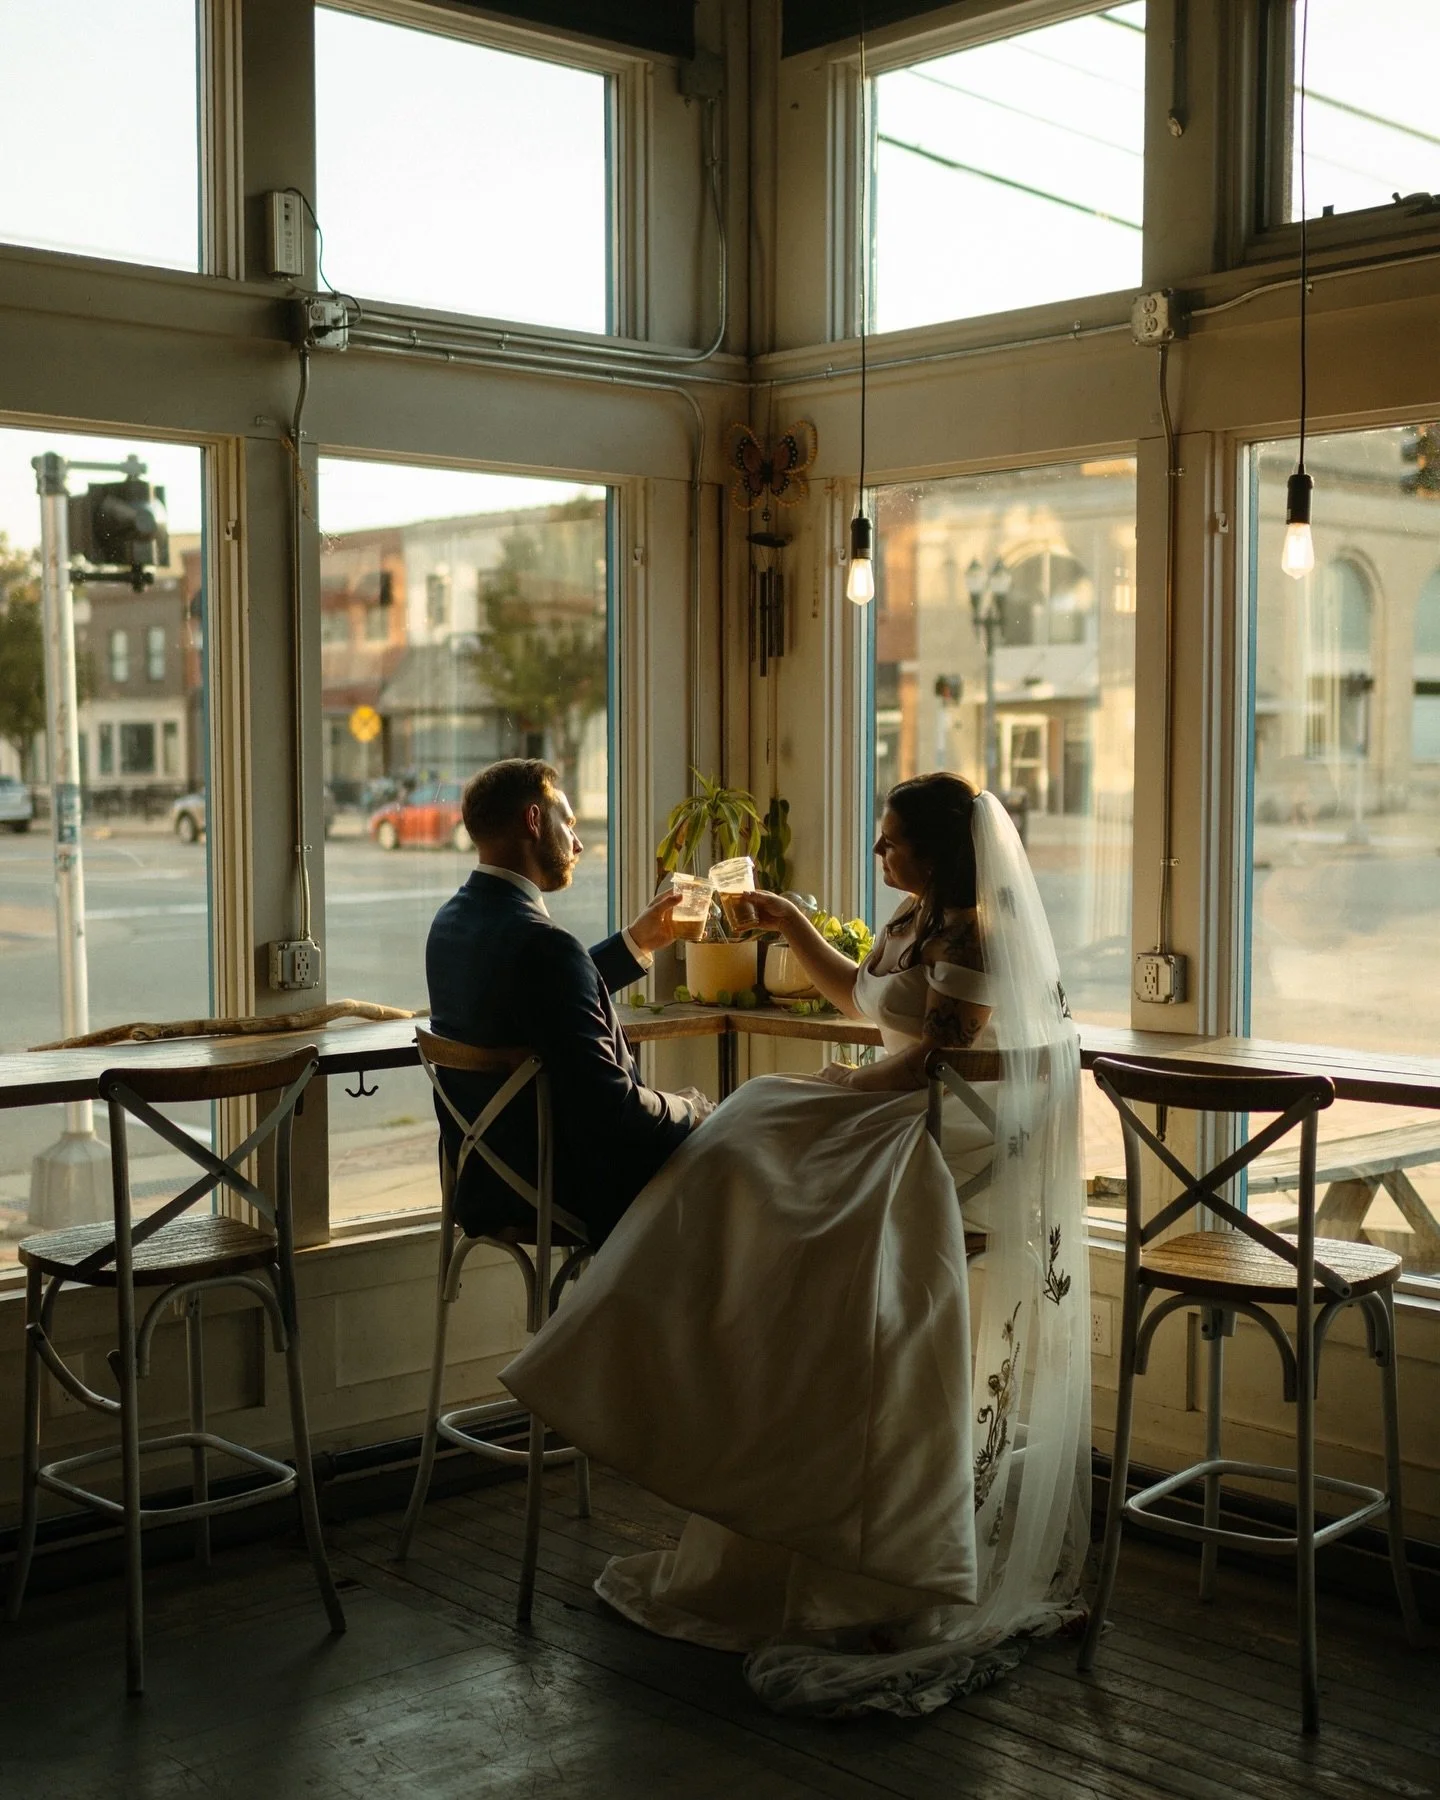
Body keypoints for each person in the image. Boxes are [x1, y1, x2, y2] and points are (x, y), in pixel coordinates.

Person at [502, 772, 1090, 1718]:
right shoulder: (910, 923)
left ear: (938, 852)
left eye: (892, 840)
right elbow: (864, 998)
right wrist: (785, 922)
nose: (878, 853)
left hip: (952, 1130)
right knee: (749, 1124)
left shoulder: (976, 931)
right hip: (908, 1100)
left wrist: (850, 1092)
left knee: (758, 1122)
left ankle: (669, 1328)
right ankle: (699, 1331)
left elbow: (940, 1056)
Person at [426, 758, 710, 1245]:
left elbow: (538, 998)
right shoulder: (544, 945)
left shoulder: (451, 924)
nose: (577, 843)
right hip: (567, 1191)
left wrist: (634, 943)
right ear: (534, 821)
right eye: (569, 823)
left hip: (486, 1185)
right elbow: (616, 1113)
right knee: (739, 1150)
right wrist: (693, 1108)